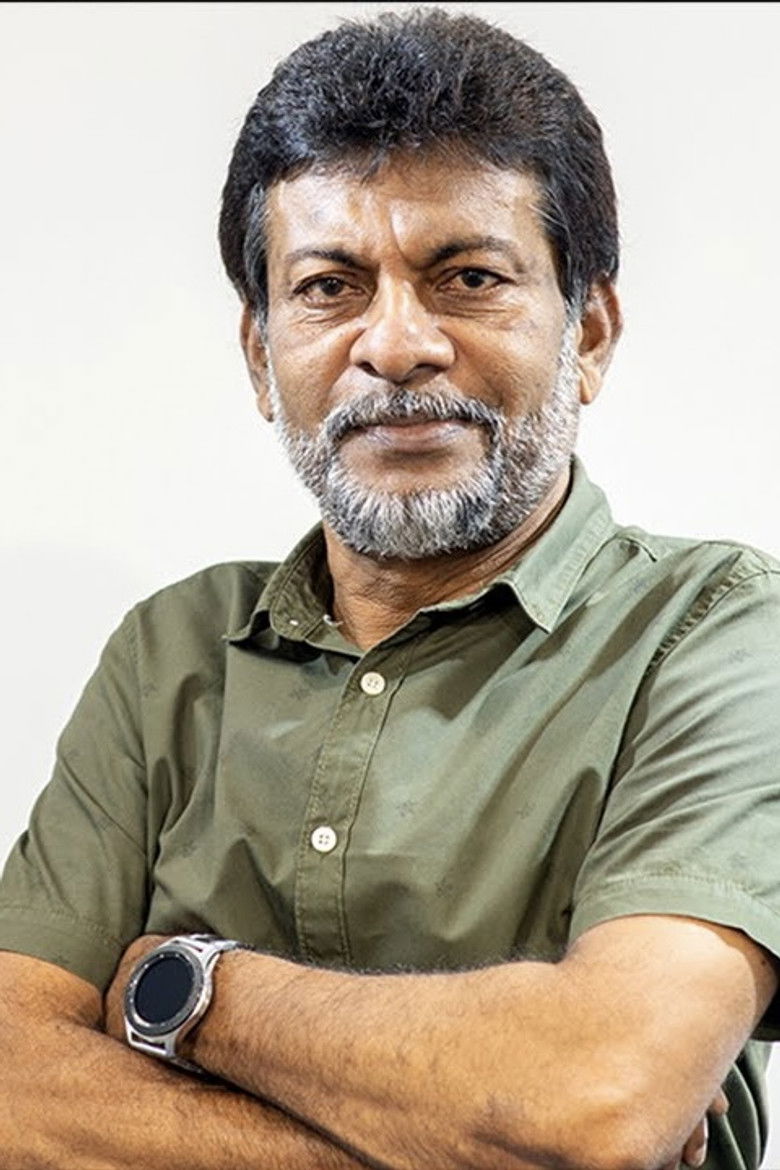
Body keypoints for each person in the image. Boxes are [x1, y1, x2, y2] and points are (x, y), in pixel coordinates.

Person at [0, 7, 778, 1168]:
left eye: (468, 277)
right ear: (261, 356)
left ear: (590, 334)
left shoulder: (720, 636)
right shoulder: (172, 653)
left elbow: (595, 1102)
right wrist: (471, 1132)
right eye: (329, 286)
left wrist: (186, 991)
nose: (398, 346)